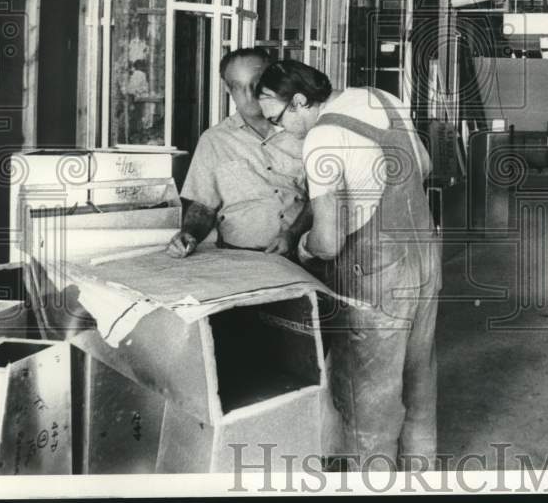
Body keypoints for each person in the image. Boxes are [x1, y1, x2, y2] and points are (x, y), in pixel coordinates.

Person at [257, 60, 440, 470]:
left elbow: (328, 241)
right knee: (419, 376)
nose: (279, 129)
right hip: (424, 256)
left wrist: (301, 249)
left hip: (376, 271)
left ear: (300, 102)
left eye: (278, 119)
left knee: (368, 396)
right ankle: (422, 476)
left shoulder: (321, 139)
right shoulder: (378, 97)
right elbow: (423, 166)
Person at [166, 47, 309, 257]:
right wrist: (189, 234)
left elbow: (322, 200)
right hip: (239, 257)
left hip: (303, 256)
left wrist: (292, 234)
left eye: (256, 84)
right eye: (238, 87)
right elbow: (203, 206)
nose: (249, 95)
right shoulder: (214, 141)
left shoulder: (304, 131)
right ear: (227, 88)